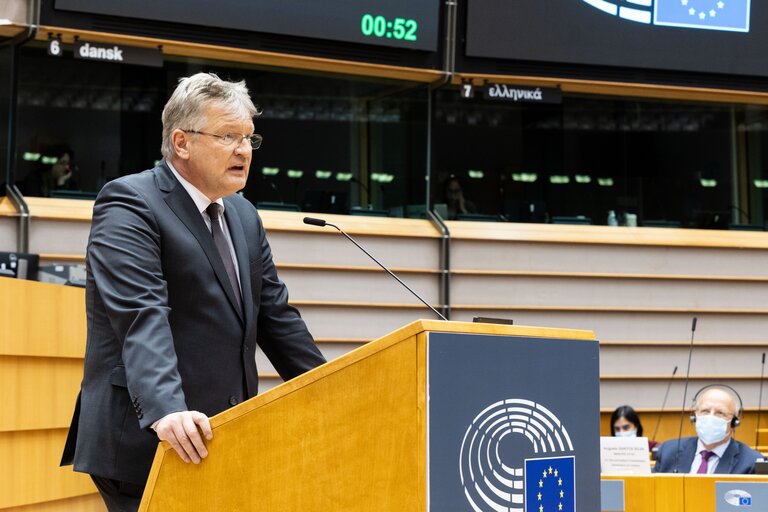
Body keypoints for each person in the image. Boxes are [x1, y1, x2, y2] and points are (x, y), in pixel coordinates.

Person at [60, 72, 326, 511]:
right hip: (151, 438)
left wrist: (334, 388)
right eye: (228, 136)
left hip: (226, 436)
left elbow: (277, 319)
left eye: (249, 139)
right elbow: (141, 313)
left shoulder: (242, 215)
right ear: (181, 143)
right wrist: (166, 409)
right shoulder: (130, 202)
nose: (243, 150)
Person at [654, 385, 762, 474]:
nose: (711, 417)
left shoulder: (751, 462)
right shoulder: (668, 451)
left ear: (734, 422)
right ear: (694, 416)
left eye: (720, 413)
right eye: (705, 411)